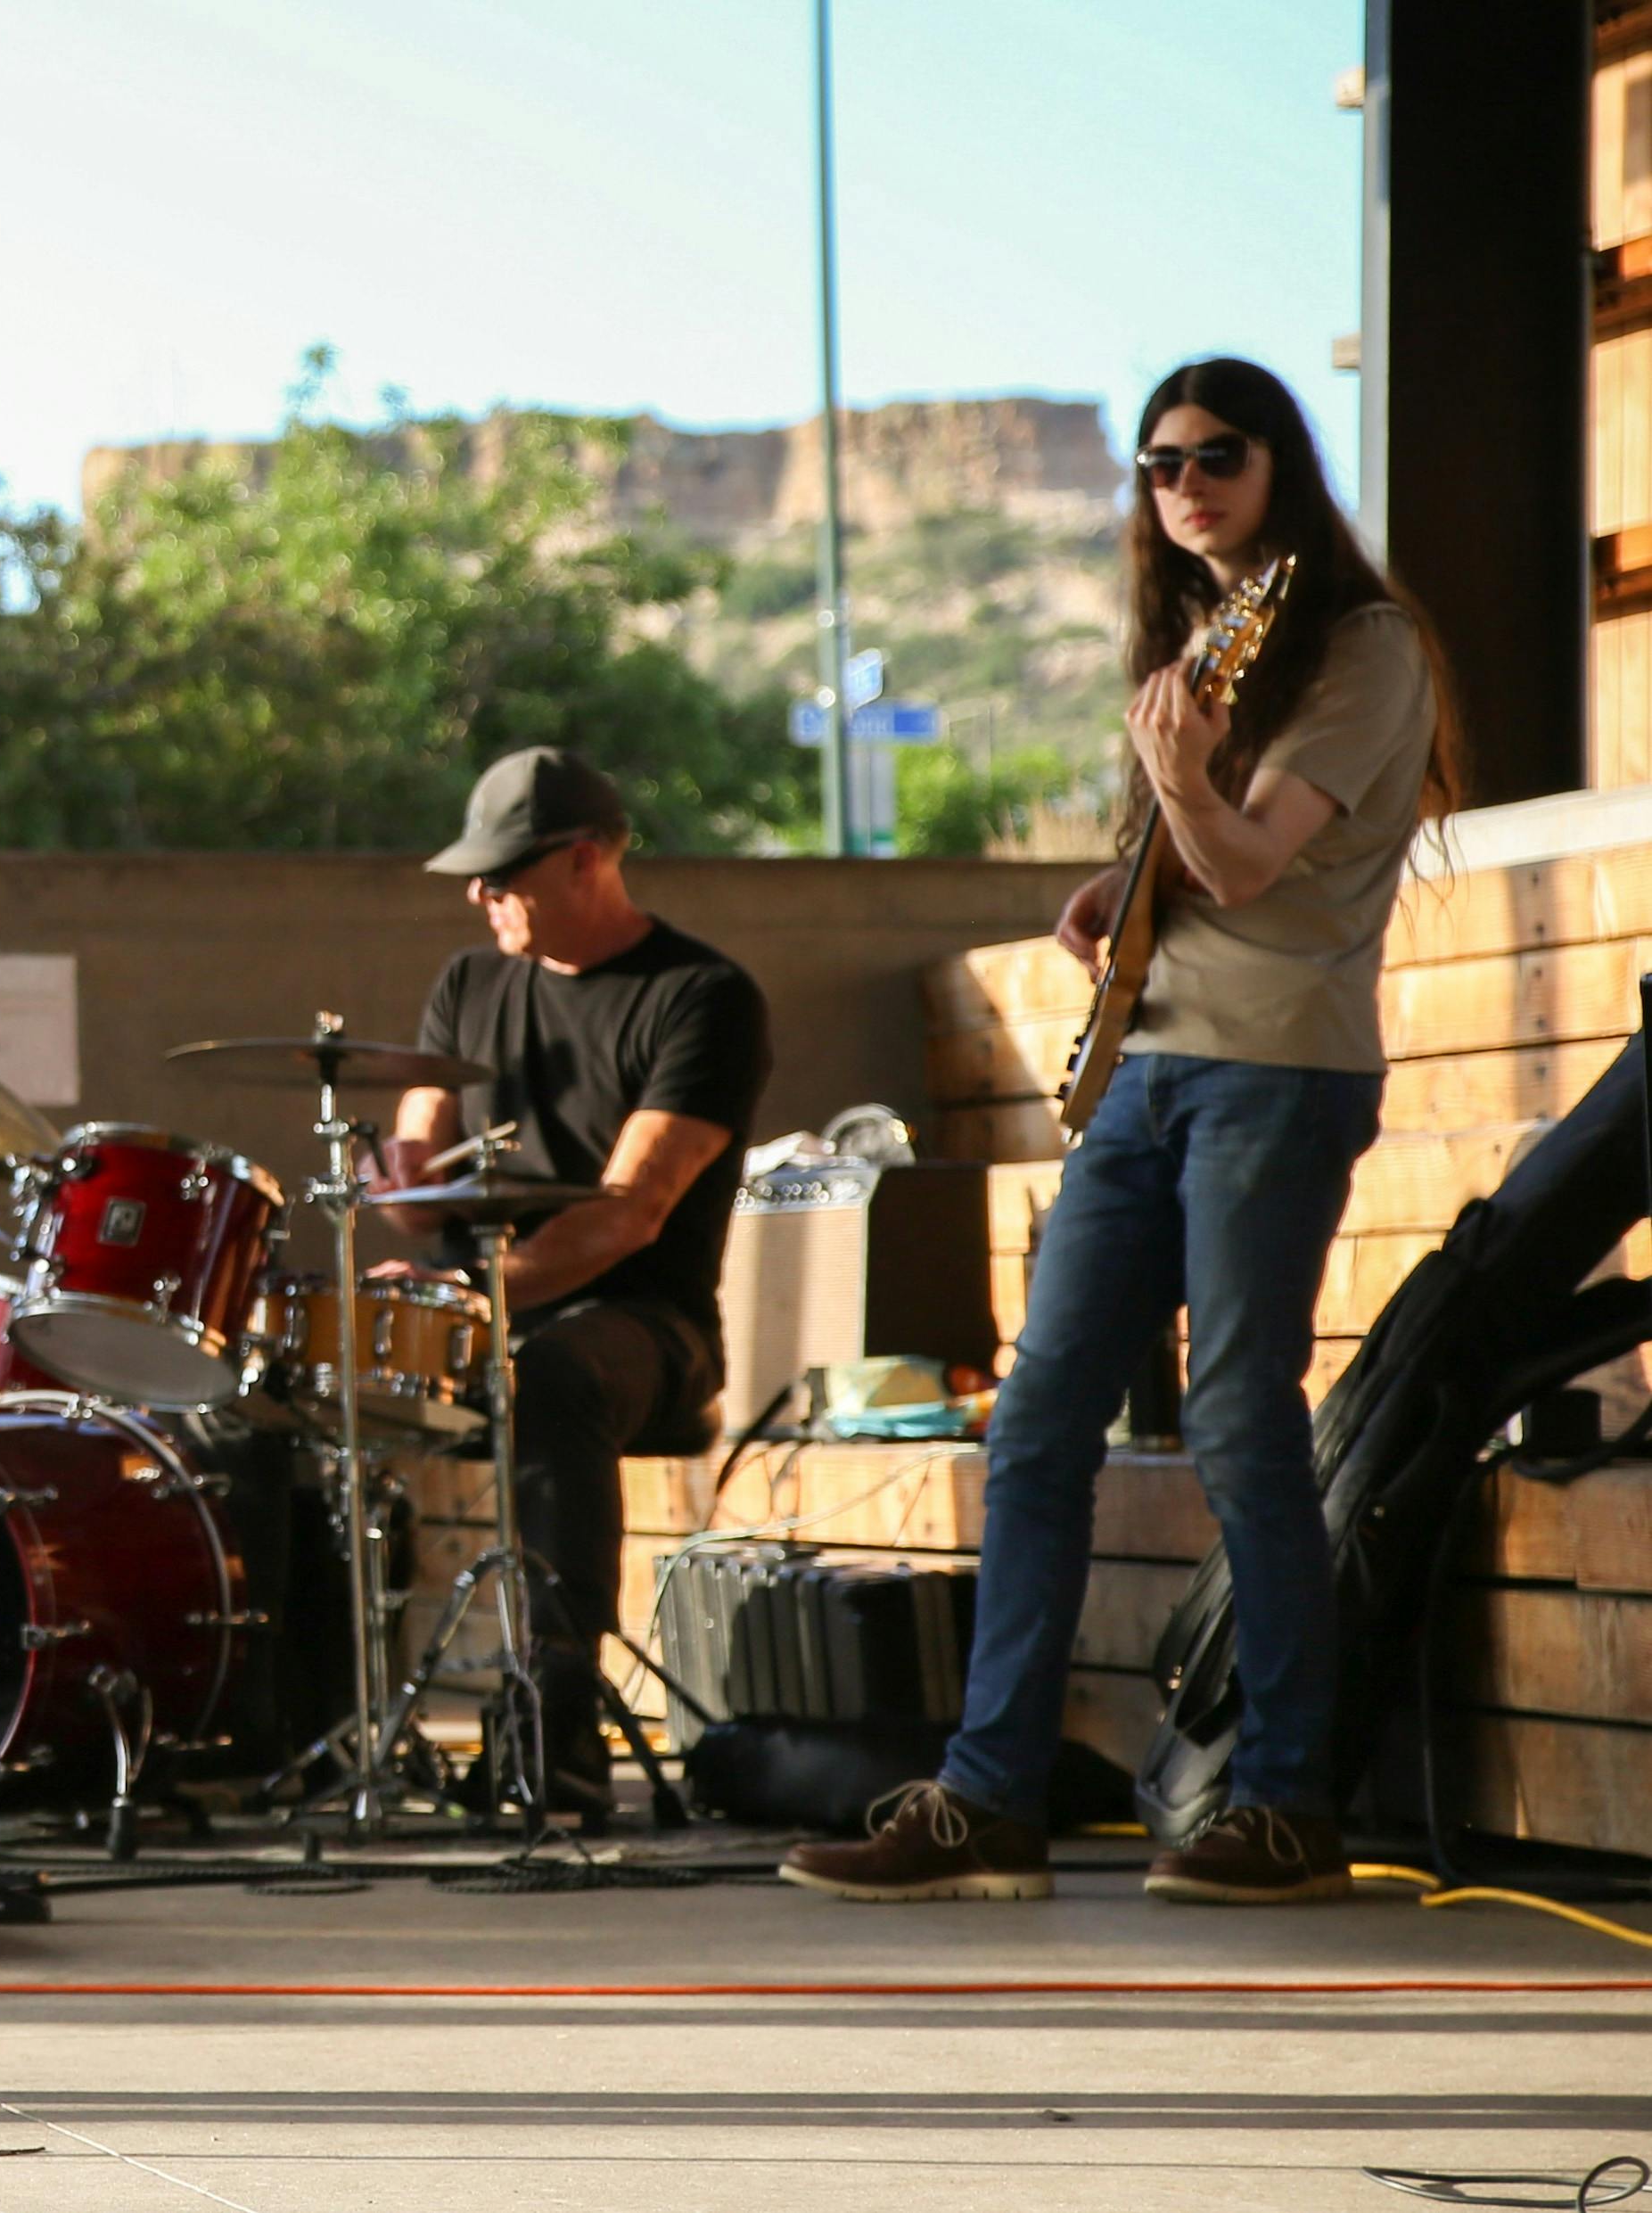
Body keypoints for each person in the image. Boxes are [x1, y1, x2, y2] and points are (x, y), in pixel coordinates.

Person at [782, 357, 1460, 1908]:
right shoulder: (1200, 644)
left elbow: (1244, 867)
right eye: (1155, 463)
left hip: (1274, 1072)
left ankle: (1284, 1803)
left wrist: (1172, 790)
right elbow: (1187, 877)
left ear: (1276, 462)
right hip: (1150, 1067)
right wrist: (1117, 885)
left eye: (1215, 454)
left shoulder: (1359, 647)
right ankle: (984, 1799)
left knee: (1232, 1415)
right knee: (1029, 1426)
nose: (1182, 484)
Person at [384, 746, 772, 1810]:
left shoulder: (701, 997)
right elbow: (418, 1148)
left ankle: (553, 1739)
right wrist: (399, 1183)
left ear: (585, 860)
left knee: (549, 1375)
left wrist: (477, 1297)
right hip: (478, 1313)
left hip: (646, 1327)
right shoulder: (468, 984)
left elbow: (627, 1214)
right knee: (284, 1373)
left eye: (501, 875)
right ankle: (296, 1720)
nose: (480, 896)